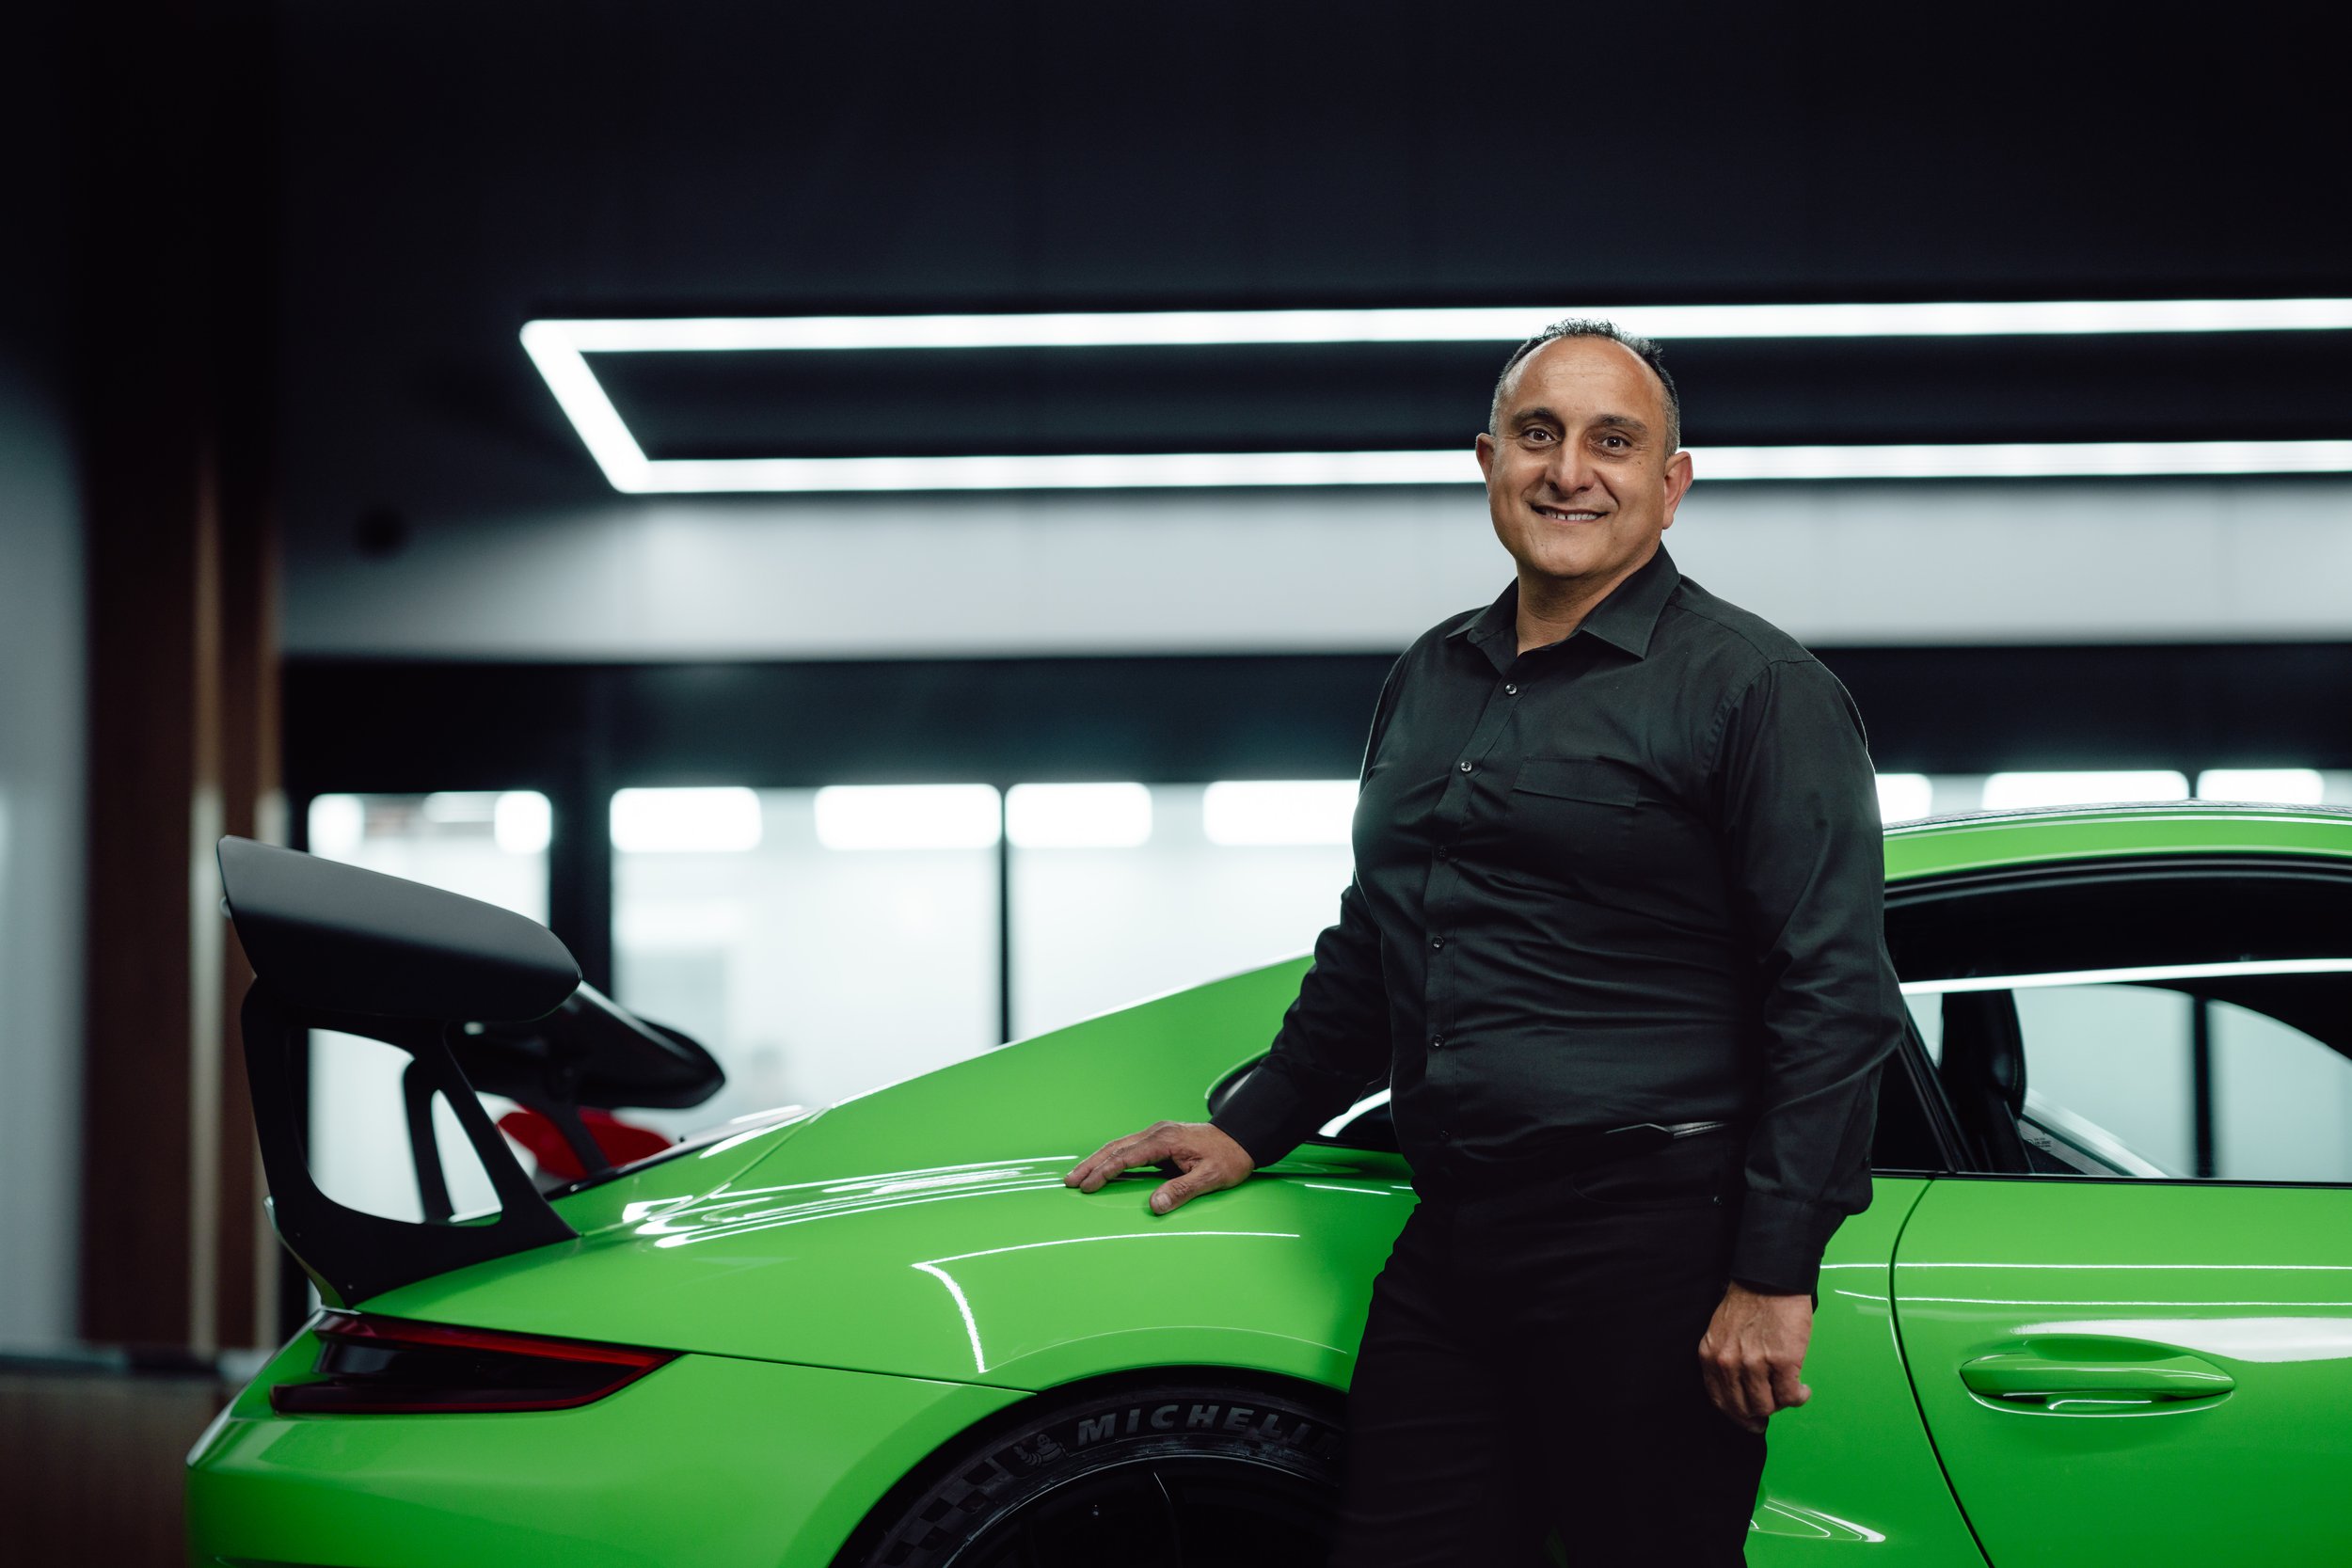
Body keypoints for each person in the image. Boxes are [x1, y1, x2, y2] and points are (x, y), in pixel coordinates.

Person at [1063, 318, 1908, 1565]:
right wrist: (1255, 1124)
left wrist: (1776, 1275)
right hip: (1455, 1235)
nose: (1572, 469)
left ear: (1671, 485)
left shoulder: (1759, 689)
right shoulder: (1433, 676)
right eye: (1539, 434)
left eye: (1614, 442)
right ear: (1487, 461)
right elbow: (1380, 941)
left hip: (1656, 1242)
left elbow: (1833, 994)